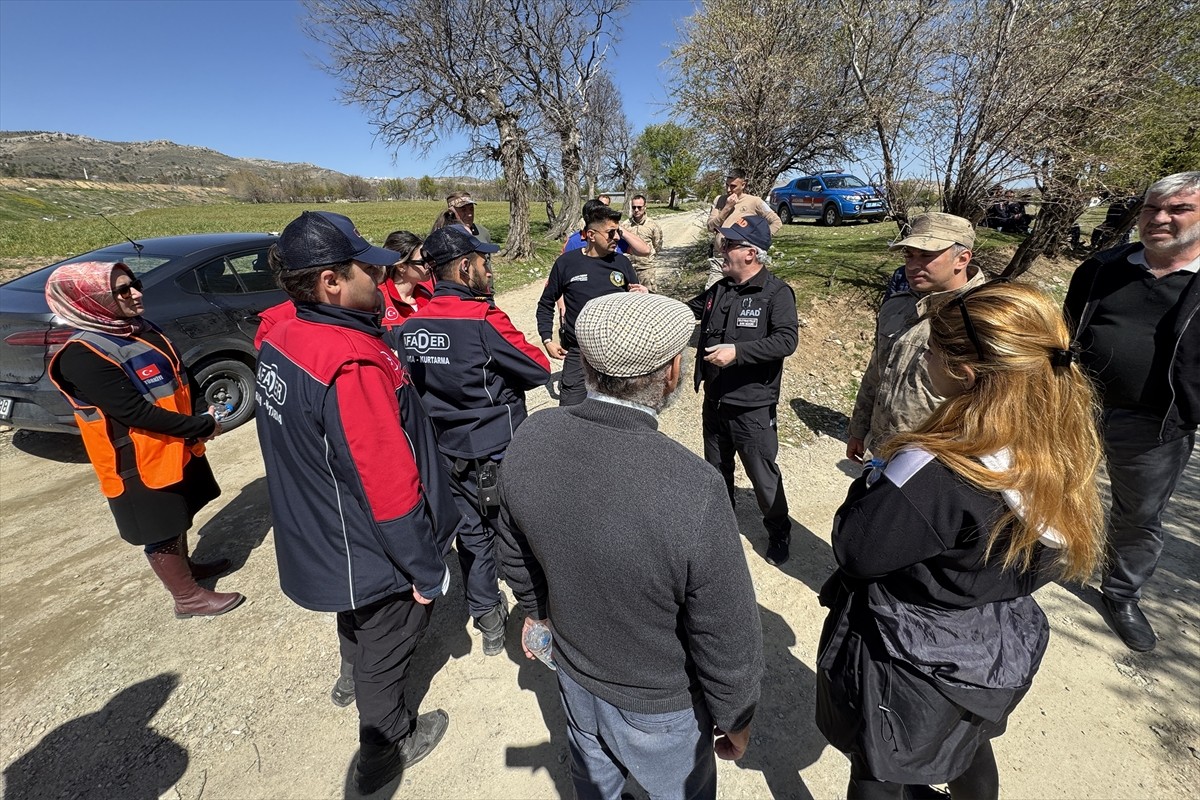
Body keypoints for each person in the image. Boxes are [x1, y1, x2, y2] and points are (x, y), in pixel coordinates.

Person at [816, 281, 1105, 800]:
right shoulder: (1058, 446)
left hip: (913, 651)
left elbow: (857, 550)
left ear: (965, 372)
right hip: (993, 644)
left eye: (931, 349)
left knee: (881, 765)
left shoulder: (937, 471)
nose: (925, 357)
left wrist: (874, 480)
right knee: (967, 742)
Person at [498, 291, 764, 800]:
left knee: (594, 782)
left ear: (588, 363)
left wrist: (536, 612)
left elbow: (513, 549)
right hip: (660, 705)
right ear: (671, 372)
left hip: (574, 674)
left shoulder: (532, 435)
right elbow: (725, 630)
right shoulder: (694, 486)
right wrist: (737, 717)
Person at [254, 211, 458, 794]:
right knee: (390, 634)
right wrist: (423, 567)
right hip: (365, 538)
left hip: (319, 522)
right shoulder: (348, 361)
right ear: (330, 283)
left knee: (356, 614)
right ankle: (387, 745)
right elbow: (387, 484)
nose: (383, 272)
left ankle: (349, 678)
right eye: (367, 265)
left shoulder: (284, 333)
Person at [45, 262, 244, 619]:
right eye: (122, 291)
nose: (136, 293)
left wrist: (203, 413)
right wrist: (199, 426)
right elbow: (134, 412)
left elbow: (178, 376)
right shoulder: (82, 355)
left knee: (177, 513)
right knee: (159, 525)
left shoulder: (137, 329)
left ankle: (186, 570)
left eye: (134, 284)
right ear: (90, 300)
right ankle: (187, 598)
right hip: (134, 460)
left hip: (170, 444)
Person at [389, 227, 550, 657]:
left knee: (471, 536)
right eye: (485, 262)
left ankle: (487, 619)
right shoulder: (482, 318)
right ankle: (536, 616)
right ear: (464, 267)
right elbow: (536, 367)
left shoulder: (411, 325)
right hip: (495, 452)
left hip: (444, 453)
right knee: (513, 533)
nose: (490, 269)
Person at [1064, 170, 1200, 653]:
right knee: (1049, 484)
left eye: (1177, 209)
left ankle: (1121, 594)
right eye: (1150, 208)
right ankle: (1030, 561)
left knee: (1138, 515)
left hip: (1155, 426)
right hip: (1077, 408)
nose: (1159, 218)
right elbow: (1067, 331)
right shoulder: (1102, 267)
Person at [687, 215, 798, 567]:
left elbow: (786, 340)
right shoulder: (720, 288)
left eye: (729, 244)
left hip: (752, 404)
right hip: (715, 399)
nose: (722, 249)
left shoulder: (775, 293)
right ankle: (721, 530)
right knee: (716, 471)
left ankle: (779, 530)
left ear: (751, 252)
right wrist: (651, 298)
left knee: (763, 477)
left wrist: (737, 353)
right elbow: (687, 309)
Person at [847, 213, 986, 464]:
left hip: (941, 460)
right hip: (883, 450)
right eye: (909, 255)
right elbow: (875, 372)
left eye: (926, 255)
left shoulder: (984, 317)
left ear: (962, 259)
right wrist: (858, 429)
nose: (912, 265)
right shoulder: (896, 307)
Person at [538, 204, 647, 406]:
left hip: (616, 353)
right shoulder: (566, 263)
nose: (617, 237)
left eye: (618, 232)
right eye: (610, 233)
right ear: (591, 234)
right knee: (570, 413)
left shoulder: (622, 263)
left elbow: (637, 305)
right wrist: (547, 339)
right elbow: (546, 303)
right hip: (578, 353)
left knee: (615, 413)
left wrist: (644, 295)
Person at [705, 169, 783, 287]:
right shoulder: (720, 200)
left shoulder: (755, 202)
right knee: (712, 293)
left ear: (743, 185)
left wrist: (757, 242)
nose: (728, 190)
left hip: (740, 261)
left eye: (733, 186)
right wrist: (726, 208)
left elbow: (776, 222)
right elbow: (710, 227)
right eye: (726, 185)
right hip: (720, 258)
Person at [380, 230, 434, 329]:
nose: (429, 265)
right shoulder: (378, 299)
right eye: (422, 261)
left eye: (429, 259)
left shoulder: (428, 296)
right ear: (401, 266)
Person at [564, 198, 651, 256]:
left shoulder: (616, 237)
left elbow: (645, 251)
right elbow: (564, 268)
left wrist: (619, 230)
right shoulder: (574, 241)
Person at [620, 193, 664, 292]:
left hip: (646, 268)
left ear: (645, 207)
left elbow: (657, 245)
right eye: (634, 207)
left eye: (639, 207)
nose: (636, 210)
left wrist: (648, 258)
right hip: (629, 268)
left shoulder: (653, 225)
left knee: (650, 296)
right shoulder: (625, 225)